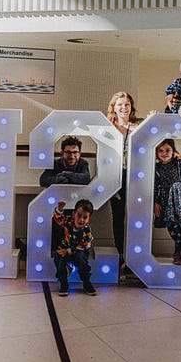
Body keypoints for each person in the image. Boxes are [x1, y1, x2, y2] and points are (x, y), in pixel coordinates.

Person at [105, 91, 143, 271]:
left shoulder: (138, 126)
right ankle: (121, 255)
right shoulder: (108, 127)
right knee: (118, 217)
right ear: (114, 107)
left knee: (135, 217)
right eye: (120, 104)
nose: (124, 107)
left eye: (127, 104)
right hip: (115, 176)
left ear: (131, 107)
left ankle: (134, 256)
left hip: (135, 176)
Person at [51, 199, 97, 296]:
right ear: (73, 214)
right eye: (79, 216)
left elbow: (83, 246)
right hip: (65, 249)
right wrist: (59, 209)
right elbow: (59, 220)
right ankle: (63, 283)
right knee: (57, 255)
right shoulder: (69, 222)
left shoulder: (87, 232)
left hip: (79, 253)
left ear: (89, 218)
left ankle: (86, 283)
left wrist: (68, 251)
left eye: (85, 217)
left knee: (82, 261)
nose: (81, 220)